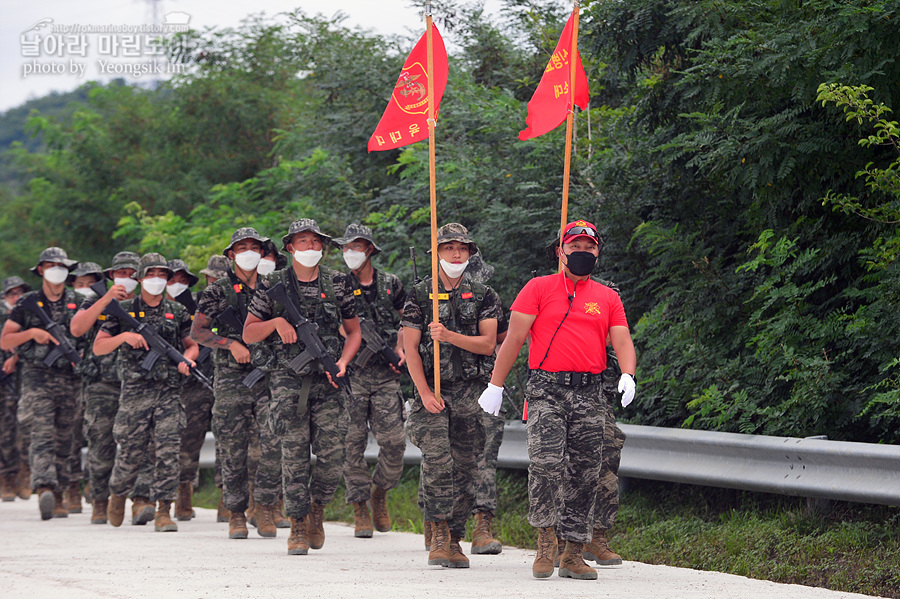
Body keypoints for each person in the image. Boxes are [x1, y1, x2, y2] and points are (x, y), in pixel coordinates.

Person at [477, 220, 637, 580]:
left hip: (591, 392)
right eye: (575, 246)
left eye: (589, 248)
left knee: (585, 472)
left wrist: (628, 373)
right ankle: (545, 540)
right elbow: (514, 339)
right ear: (560, 251)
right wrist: (496, 385)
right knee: (546, 465)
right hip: (547, 389)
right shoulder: (538, 288)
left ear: (598, 252)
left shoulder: (607, 297)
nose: (582, 253)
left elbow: (622, 339)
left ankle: (573, 552)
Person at [243, 218, 361, 556]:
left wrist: (342, 363)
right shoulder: (273, 283)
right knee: (293, 456)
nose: (309, 247)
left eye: (315, 242)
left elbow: (353, 332)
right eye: (302, 242)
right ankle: (296, 525)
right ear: (290, 247)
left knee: (332, 457)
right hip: (287, 381)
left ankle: (317, 510)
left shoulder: (338, 283)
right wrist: (277, 322)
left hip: (328, 380)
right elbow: (249, 333)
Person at [401, 223, 501, 569]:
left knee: (467, 466)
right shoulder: (419, 295)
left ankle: (456, 536)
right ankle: (440, 532)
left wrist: (449, 336)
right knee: (438, 461)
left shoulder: (485, 295)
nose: (455, 254)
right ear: (437, 253)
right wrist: (425, 392)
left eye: (461, 248)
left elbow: (488, 344)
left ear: (470, 253)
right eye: (448, 248)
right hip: (433, 393)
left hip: (470, 392)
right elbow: (409, 348)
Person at [93, 253, 199, 532]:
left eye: (162, 275)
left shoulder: (177, 312)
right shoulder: (123, 309)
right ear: (139, 279)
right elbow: (99, 346)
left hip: (168, 392)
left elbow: (191, 344)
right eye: (150, 275)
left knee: (168, 450)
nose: (156, 280)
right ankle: (118, 493)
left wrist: (187, 358)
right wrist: (123, 336)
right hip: (135, 394)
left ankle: (164, 510)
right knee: (130, 452)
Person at [191, 228, 284, 540]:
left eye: (254, 247)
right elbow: (198, 332)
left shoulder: (274, 286)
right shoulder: (217, 290)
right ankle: (235, 513)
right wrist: (230, 344)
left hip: (267, 375)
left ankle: (265, 506)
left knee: (273, 443)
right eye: (242, 247)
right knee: (233, 448)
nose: (248, 252)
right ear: (231, 255)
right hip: (232, 378)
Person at [333, 224, 407, 538]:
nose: (351, 252)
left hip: (386, 374)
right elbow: (330, 321)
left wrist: (401, 348)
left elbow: (408, 319)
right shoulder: (335, 284)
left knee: (394, 442)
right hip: (351, 375)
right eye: (347, 247)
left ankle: (380, 491)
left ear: (370, 250)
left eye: (358, 246)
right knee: (351, 444)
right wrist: (351, 336)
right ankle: (360, 506)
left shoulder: (391, 284)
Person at [1, 247, 81, 520]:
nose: (56, 269)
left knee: (65, 437)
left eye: (60, 265)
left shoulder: (78, 300)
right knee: (41, 433)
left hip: (70, 378)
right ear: (41, 270)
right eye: (50, 265)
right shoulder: (27, 302)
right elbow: (6, 340)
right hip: (37, 376)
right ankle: (46, 487)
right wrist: (32, 333)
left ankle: (60, 491)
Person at [69, 252, 139, 525]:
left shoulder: (145, 302)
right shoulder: (96, 300)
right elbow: (77, 328)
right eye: (121, 274)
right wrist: (106, 298)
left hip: (136, 381)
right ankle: (99, 500)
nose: (126, 279)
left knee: (139, 442)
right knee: (100, 440)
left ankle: (138, 498)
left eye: (132, 274)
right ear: (111, 276)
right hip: (101, 382)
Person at [166, 258, 215, 521]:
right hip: (184, 385)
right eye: (171, 280)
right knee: (187, 443)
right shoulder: (155, 311)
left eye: (182, 280)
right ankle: (182, 498)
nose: (176, 285)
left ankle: (229, 503)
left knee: (231, 443)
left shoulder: (198, 307)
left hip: (214, 380)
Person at [0, 276, 31, 501]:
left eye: (20, 293)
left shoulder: (30, 314)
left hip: (28, 378)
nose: (16, 297)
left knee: (27, 430)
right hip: (4, 382)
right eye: (12, 294)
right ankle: (7, 478)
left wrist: (18, 356)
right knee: (5, 432)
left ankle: (25, 475)